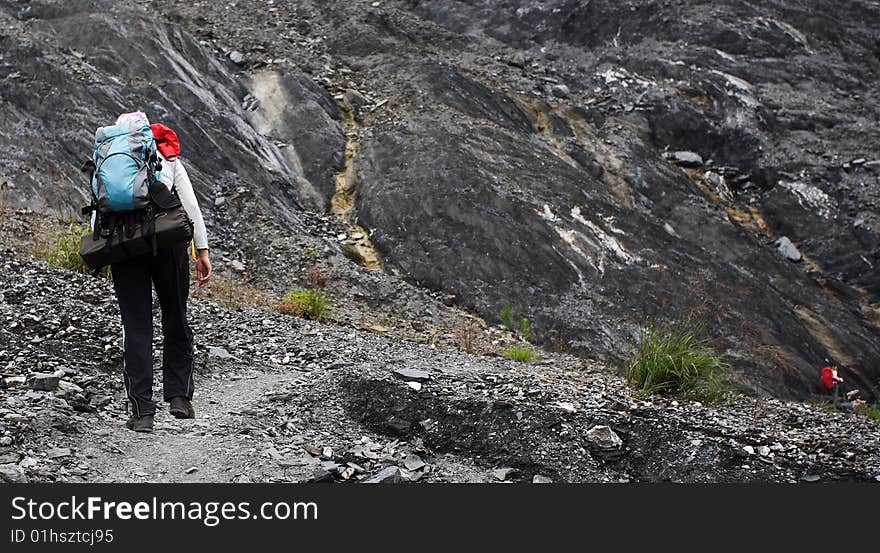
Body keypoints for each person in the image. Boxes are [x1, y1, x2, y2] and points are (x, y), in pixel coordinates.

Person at [109, 111, 212, 433]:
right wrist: (202, 250)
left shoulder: (111, 158)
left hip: (124, 245)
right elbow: (190, 206)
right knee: (175, 315)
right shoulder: (166, 155)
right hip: (169, 243)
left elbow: (100, 210)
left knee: (136, 326)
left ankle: (142, 412)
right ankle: (179, 396)